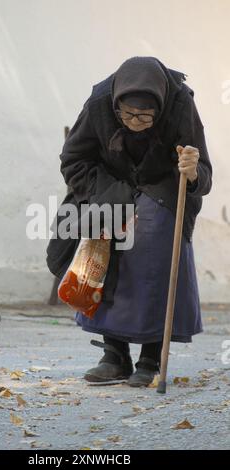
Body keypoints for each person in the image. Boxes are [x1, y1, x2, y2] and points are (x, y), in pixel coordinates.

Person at [55, 56, 212, 387]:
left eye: (144, 116)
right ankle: (114, 354)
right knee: (111, 224)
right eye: (127, 115)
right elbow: (73, 158)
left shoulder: (180, 103)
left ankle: (151, 356)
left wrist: (192, 170)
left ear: (160, 107)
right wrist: (110, 195)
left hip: (164, 188)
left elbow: (204, 175)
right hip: (110, 183)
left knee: (151, 231)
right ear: (116, 107)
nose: (135, 123)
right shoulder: (100, 102)